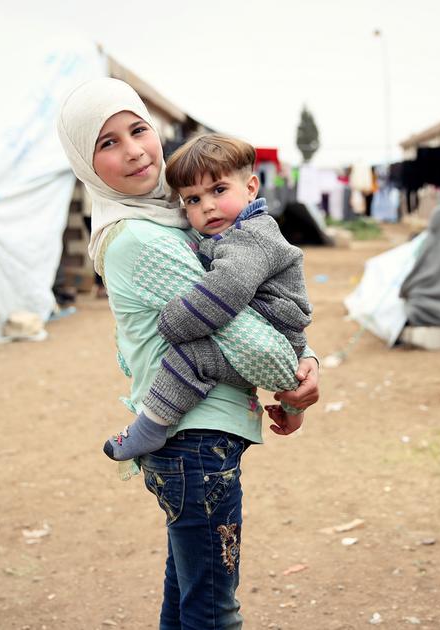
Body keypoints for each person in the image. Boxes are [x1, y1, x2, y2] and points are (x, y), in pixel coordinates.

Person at [56, 78, 319, 630]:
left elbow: (256, 302)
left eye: (137, 129)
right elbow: (253, 343)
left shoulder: (177, 223)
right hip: (195, 443)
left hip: (195, 441)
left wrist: (306, 358)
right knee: (213, 612)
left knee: (186, 604)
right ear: (86, 163)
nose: (132, 150)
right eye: (106, 143)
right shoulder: (141, 239)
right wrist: (291, 373)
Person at [102, 133, 312, 461]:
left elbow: (228, 286)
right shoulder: (229, 232)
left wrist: (174, 322)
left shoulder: (252, 236)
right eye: (193, 200)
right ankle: (291, 409)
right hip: (277, 334)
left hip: (275, 326)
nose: (208, 206)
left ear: (251, 188)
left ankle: (151, 426)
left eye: (218, 190)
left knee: (192, 355)